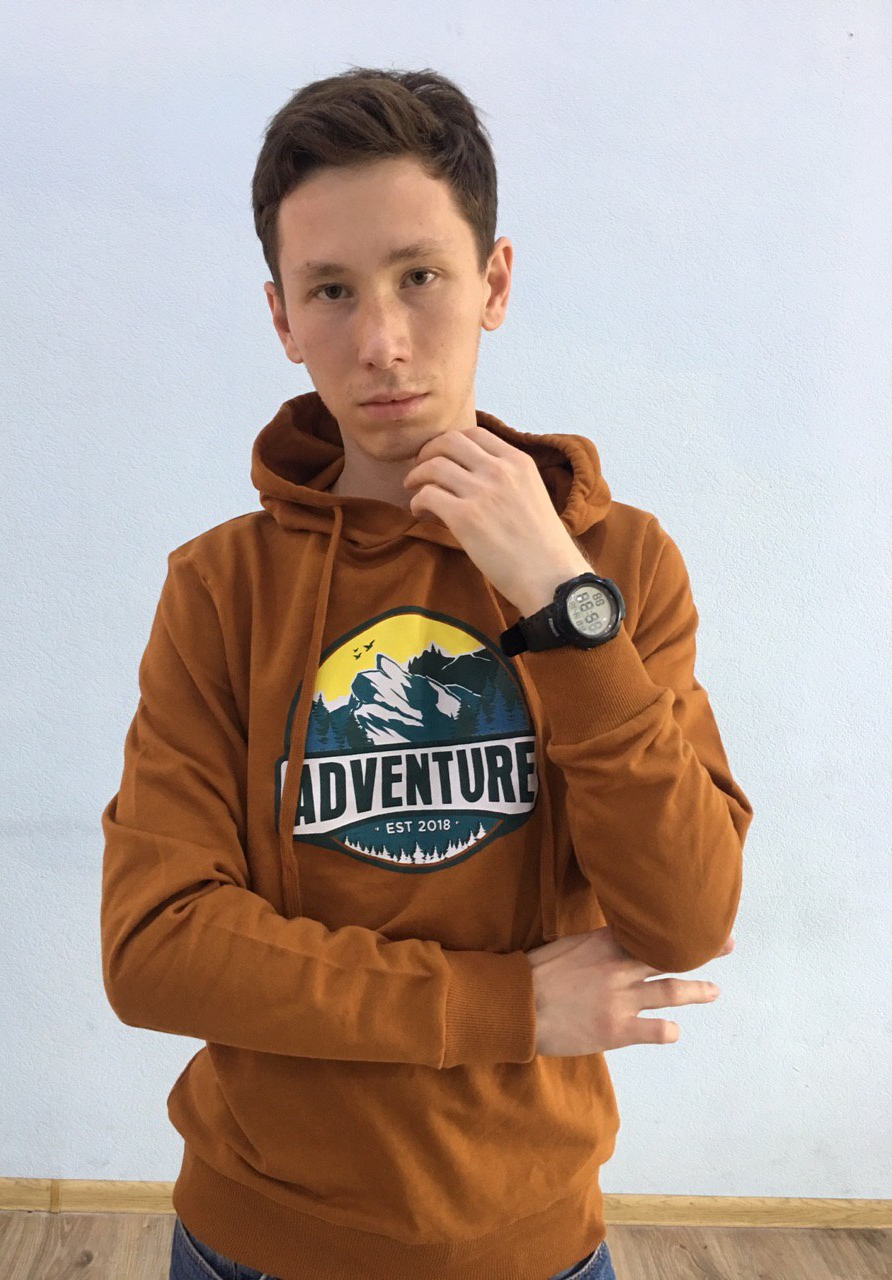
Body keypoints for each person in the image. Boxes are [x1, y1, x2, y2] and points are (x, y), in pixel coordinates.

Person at [100, 65, 753, 1280]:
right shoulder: (220, 588)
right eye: (331, 291)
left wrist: (561, 606)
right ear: (282, 317)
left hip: (533, 1242)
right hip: (253, 1239)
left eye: (420, 276)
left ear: (494, 282)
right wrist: (508, 1006)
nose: (382, 342)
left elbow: (687, 917)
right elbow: (156, 945)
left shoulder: (615, 565)